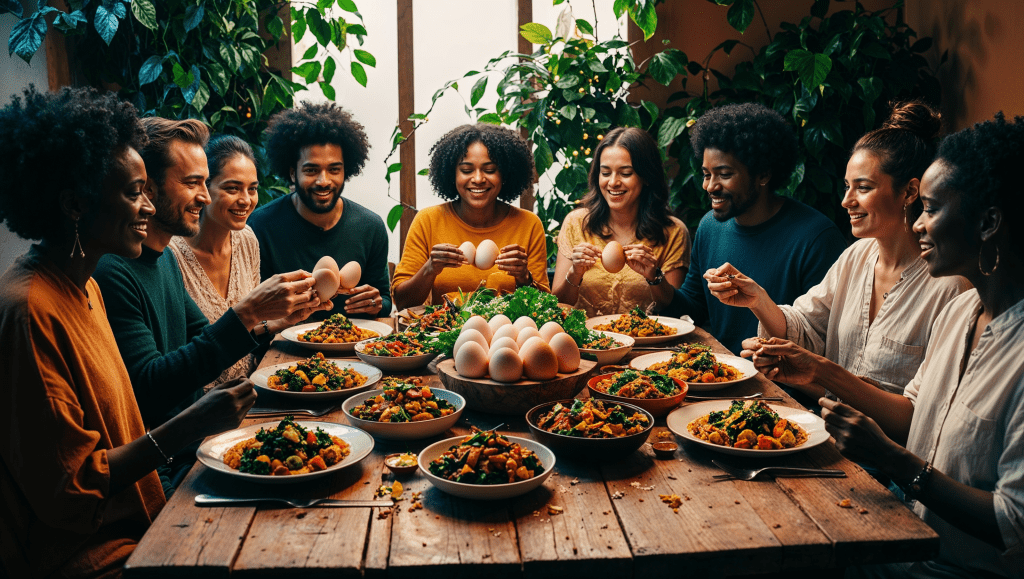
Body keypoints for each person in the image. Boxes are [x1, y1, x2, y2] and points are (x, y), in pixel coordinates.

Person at [744, 113, 1024, 578]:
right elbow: (911, 413)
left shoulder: (989, 329)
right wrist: (816, 372)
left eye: (932, 209)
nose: (919, 225)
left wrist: (891, 460)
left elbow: (1013, 522)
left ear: (989, 222)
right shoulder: (961, 314)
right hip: (900, 533)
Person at [0, 86, 255, 578]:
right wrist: (190, 424)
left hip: (146, 520)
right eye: (134, 191)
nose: (147, 206)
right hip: (93, 557)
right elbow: (70, 493)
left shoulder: (85, 286)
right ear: (75, 203)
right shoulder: (31, 310)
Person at [94, 118, 323, 495]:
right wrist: (248, 312)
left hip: (200, 442)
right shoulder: (115, 269)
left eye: (204, 182)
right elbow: (150, 389)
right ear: (146, 187)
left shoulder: (162, 256)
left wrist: (273, 324)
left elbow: (202, 338)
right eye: (192, 183)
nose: (204, 196)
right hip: (165, 467)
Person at [705, 103, 969, 397]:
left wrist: (820, 372)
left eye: (863, 188)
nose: (847, 201)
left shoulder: (950, 288)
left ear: (909, 192)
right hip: (825, 426)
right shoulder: (856, 256)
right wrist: (757, 298)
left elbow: (923, 413)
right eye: (847, 187)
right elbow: (806, 326)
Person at [660, 102, 848, 354]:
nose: (710, 186)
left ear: (763, 175)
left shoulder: (816, 238)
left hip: (787, 388)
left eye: (724, 174)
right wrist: (654, 277)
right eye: (706, 174)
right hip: (720, 378)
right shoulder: (710, 227)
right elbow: (691, 308)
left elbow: (825, 340)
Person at [249, 101, 391, 318]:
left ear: (347, 170)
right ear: (293, 173)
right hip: (282, 347)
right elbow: (252, 308)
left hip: (354, 346)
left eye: (334, 169)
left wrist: (377, 302)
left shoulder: (370, 226)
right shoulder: (261, 227)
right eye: (311, 170)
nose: (324, 181)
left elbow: (385, 299)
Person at [391, 123, 550, 309]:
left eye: (489, 170)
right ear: (452, 174)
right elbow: (402, 302)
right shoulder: (428, 221)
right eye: (466, 170)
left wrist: (524, 277)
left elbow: (545, 307)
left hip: (508, 333)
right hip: (443, 334)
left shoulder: (528, 224)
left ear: (505, 174)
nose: (478, 179)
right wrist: (430, 268)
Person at [552, 126, 690, 316]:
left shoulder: (672, 232)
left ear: (646, 177)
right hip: (587, 342)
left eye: (625, 173)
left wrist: (653, 276)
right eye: (606, 172)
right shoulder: (577, 223)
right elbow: (558, 304)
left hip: (648, 342)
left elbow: (675, 312)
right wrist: (574, 273)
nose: (613, 182)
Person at [168, 136, 263, 390]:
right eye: (232, 189)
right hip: (198, 405)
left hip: (250, 392)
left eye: (252, 189)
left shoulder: (247, 240)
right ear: (204, 189)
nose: (246, 200)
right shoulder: (171, 254)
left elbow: (249, 327)